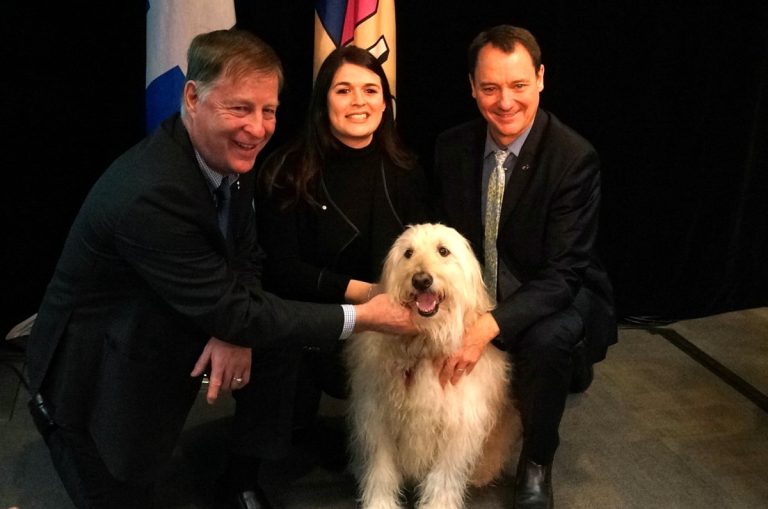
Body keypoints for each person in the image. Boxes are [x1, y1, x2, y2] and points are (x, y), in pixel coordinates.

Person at [24, 29, 415, 509]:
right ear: (193, 97)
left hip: (173, 318)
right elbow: (245, 297)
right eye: (239, 108)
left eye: (268, 110)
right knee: (124, 487)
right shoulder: (151, 193)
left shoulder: (233, 156)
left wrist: (233, 329)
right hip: (101, 361)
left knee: (265, 336)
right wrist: (367, 314)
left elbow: (246, 254)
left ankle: (241, 478)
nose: (257, 127)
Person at [221, 45, 433, 509]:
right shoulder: (286, 170)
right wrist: (368, 297)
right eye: (344, 89)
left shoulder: (407, 171)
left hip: (386, 319)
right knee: (280, 356)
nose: (358, 101)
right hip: (305, 315)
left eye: (370, 90)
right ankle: (242, 477)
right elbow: (281, 268)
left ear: (384, 102)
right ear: (323, 102)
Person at [432, 25, 617, 508]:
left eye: (518, 85)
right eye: (490, 87)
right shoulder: (451, 148)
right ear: (472, 87)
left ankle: (536, 459)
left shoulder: (574, 158)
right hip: (482, 291)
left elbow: (563, 275)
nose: (505, 101)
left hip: (553, 290)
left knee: (548, 341)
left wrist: (486, 327)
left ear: (540, 78)